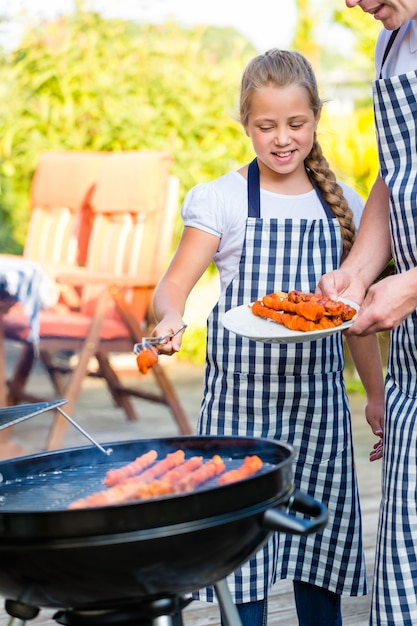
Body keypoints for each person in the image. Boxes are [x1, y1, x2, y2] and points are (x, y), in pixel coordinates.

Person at [152, 48, 385, 626]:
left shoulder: (346, 204)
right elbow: (173, 286)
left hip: (321, 405)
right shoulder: (223, 199)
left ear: (316, 120)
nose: (282, 139)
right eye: (266, 126)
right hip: (239, 401)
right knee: (241, 543)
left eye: (296, 124)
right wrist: (167, 319)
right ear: (245, 124)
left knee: (319, 540)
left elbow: (351, 318)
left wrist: (375, 394)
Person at [317, 3, 417, 625]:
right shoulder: (392, 40)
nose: (353, 2)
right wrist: (360, 268)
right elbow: (397, 174)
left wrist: (412, 285)